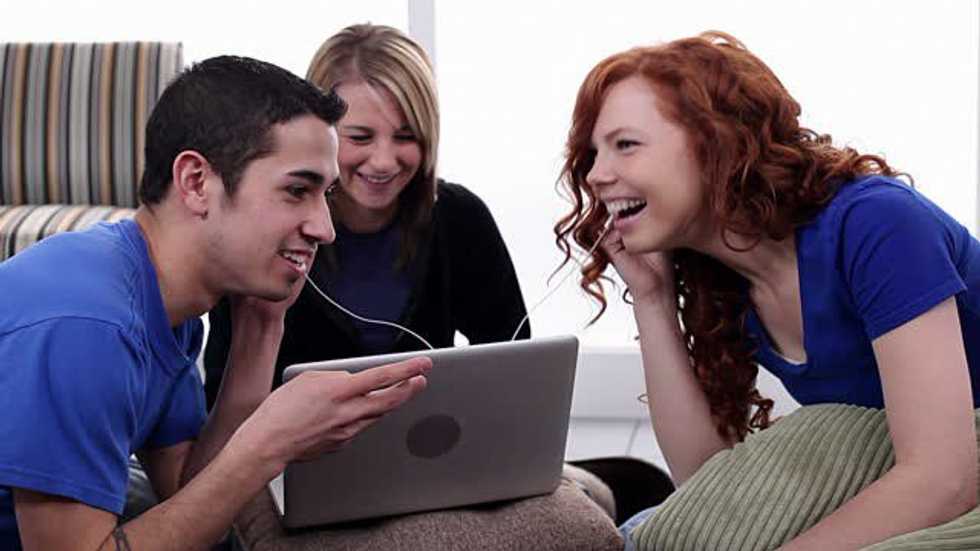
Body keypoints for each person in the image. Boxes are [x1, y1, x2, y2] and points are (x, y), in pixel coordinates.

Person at [555, 31, 980, 549]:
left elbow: (943, 477)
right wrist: (652, 300)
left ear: (717, 142)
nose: (597, 175)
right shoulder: (729, 279)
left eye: (625, 145)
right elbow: (709, 491)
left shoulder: (876, 223)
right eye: (593, 153)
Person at [0, 55, 431, 550]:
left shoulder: (168, 305)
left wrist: (262, 328)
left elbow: (188, 495)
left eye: (325, 195)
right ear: (196, 182)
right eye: (297, 190)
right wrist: (268, 443)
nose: (325, 229)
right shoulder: (87, 324)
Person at [204, 24, 529, 405]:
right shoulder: (262, 229)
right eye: (360, 137)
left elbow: (516, 367)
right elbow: (222, 402)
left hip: (431, 440)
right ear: (318, 133)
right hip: (297, 444)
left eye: (406, 137)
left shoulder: (459, 218)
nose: (384, 161)